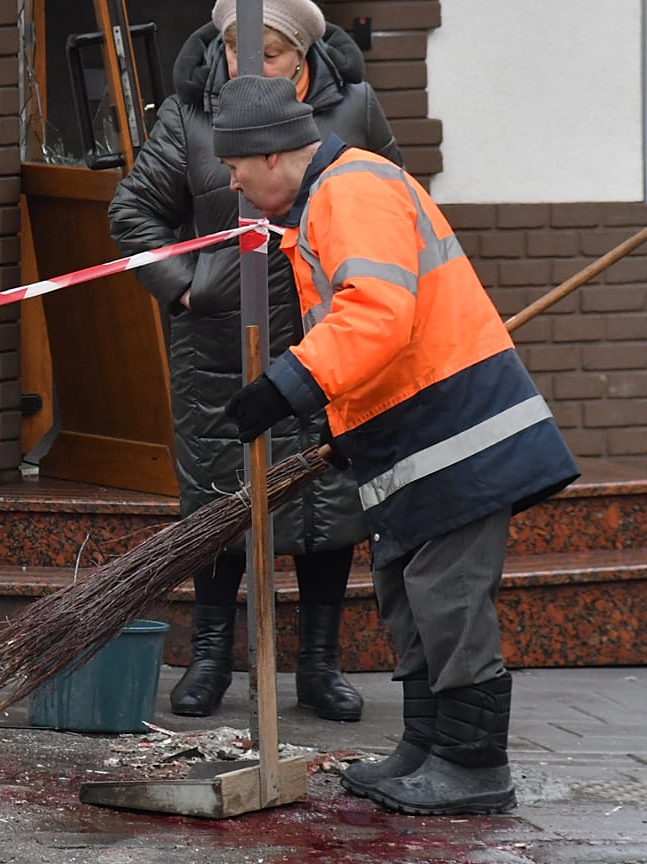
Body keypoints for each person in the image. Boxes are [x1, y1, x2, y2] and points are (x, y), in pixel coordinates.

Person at [214, 75, 579, 815]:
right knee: (408, 593)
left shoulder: (352, 191)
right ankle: (426, 746)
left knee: (447, 598)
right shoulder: (330, 198)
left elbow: (379, 314)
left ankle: (474, 768)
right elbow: (377, 333)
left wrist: (290, 384)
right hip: (416, 435)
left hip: (457, 433)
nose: (233, 186)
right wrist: (343, 422)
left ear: (273, 156)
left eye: (236, 169)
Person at [108, 0, 401, 720]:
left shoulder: (354, 108)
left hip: (326, 336)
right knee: (219, 497)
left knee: (328, 502)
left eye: (267, 53)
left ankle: (319, 664)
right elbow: (133, 211)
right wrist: (184, 293)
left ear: (302, 59)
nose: (248, 66)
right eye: (237, 50)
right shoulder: (188, 116)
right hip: (218, 345)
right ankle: (211, 658)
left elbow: (394, 199)